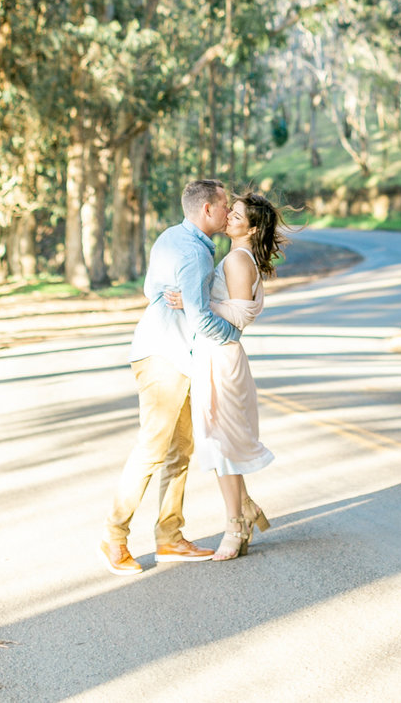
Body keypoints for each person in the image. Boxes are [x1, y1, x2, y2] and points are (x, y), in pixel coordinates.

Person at [100, 178, 240, 575]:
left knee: (180, 450)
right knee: (152, 449)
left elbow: (151, 289)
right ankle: (114, 537)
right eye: (225, 205)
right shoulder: (196, 254)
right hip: (165, 355)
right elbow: (198, 316)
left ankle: (170, 538)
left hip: (165, 352)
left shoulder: (170, 237)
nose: (229, 212)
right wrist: (234, 334)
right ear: (208, 210)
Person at [167, 191, 284, 561]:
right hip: (213, 356)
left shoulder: (237, 259)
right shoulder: (238, 256)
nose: (229, 217)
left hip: (223, 358)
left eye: (237, 216)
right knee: (220, 443)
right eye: (230, 212)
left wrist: (195, 302)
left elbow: (237, 317)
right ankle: (245, 507)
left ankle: (236, 525)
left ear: (251, 228)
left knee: (222, 447)